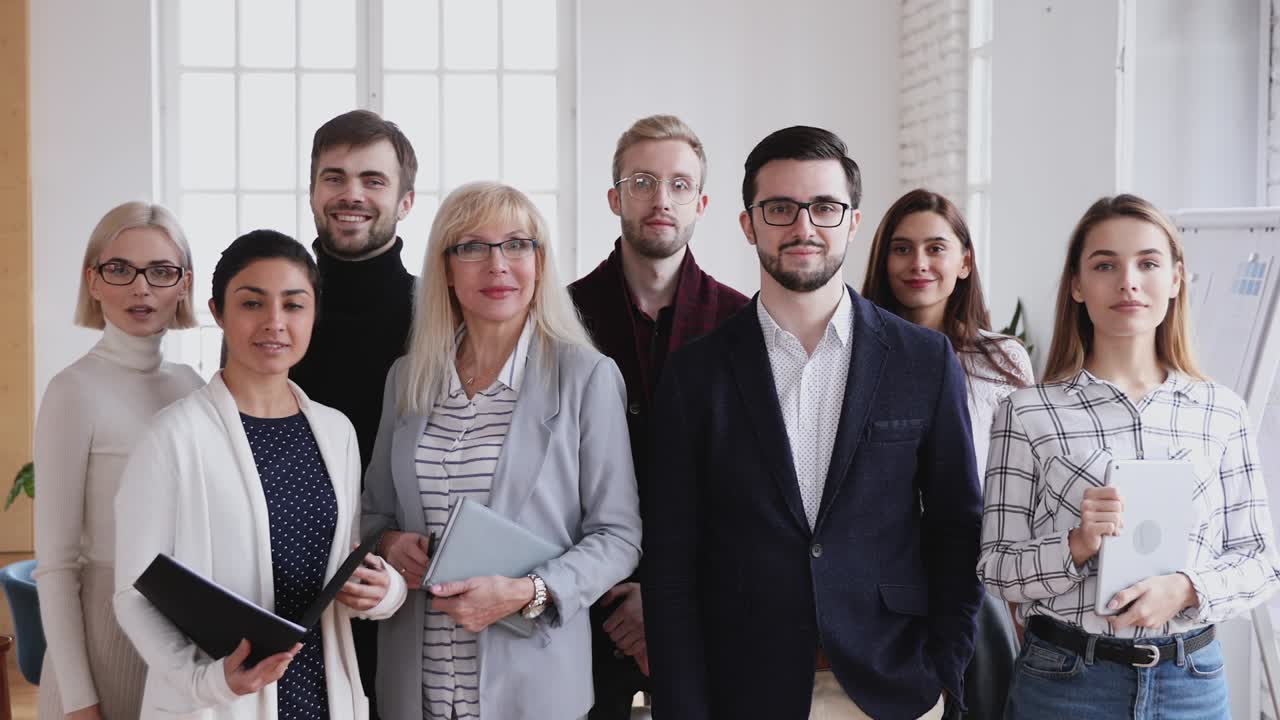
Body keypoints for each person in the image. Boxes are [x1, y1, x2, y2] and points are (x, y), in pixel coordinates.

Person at [643, 126, 983, 720]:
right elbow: (672, 563)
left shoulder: (923, 361)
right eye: (780, 209)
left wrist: (943, 673)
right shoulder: (695, 374)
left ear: (852, 222)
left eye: (824, 207)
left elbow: (958, 529)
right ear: (749, 224)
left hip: (889, 687)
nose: (803, 227)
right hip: (741, 687)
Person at [977, 194, 1280, 719]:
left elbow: (1261, 562)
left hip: (1192, 682)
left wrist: (1188, 589)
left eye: (1148, 262)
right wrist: (1075, 544)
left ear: (1177, 278)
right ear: (1076, 284)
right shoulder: (1027, 413)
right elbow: (995, 566)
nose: (1128, 281)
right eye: (1105, 265)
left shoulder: (1221, 412)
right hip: (1066, 682)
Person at [362, 181, 642, 720]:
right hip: (413, 685)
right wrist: (391, 541)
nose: (497, 265)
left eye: (517, 244)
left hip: (532, 684)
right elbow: (371, 512)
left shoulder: (586, 378)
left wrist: (529, 591)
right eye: (472, 246)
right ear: (445, 268)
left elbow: (618, 537)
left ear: (540, 263)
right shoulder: (407, 379)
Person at [114, 230, 407, 720]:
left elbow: (347, 562)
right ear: (218, 312)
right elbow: (132, 593)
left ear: (314, 315)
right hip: (218, 702)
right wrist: (206, 681)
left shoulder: (337, 432)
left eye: (294, 305)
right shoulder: (172, 437)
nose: (275, 323)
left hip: (323, 693)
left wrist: (386, 592)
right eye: (252, 303)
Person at [569, 114, 748, 718]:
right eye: (643, 181)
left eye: (678, 184)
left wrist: (663, 595)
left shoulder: (741, 323)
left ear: (701, 202)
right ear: (615, 196)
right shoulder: (561, 317)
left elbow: (745, 486)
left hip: (703, 602)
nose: (660, 199)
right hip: (581, 606)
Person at [861, 188, 1032, 717]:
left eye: (936, 248)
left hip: (979, 583)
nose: (919, 264)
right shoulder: (858, 357)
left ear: (964, 261)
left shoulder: (1002, 360)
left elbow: (1023, 484)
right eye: (902, 248)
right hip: (883, 588)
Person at [34, 201, 204, 720]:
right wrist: (80, 697)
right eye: (120, 269)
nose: (141, 287)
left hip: (179, 643)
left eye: (160, 271)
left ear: (184, 285)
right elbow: (57, 566)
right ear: (93, 280)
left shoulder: (193, 387)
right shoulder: (73, 390)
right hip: (98, 646)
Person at [289, 109, 419, 715]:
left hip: (408, 578)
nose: (352, 194)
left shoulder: (439, 309)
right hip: (286, 576)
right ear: (313, 190)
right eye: (333, 177)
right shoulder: (275, 309)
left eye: (373, 179)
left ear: (406, 199)